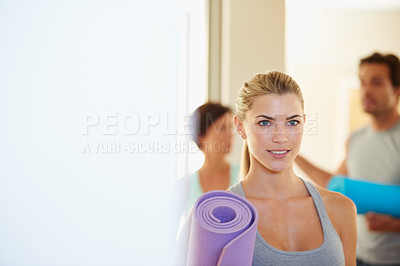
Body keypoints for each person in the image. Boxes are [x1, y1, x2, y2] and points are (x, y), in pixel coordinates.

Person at [230, 71, 357, 265]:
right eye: (264, 123)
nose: (281, 137)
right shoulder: (222, 214)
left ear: (304, 123)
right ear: (240, 127)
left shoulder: (341, 209)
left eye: (292, 122)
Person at [295, 52, 400, 266]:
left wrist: (394, 225)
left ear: (397, 90)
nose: (366, 90)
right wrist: (292, 154)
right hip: (359, 257)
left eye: (377, 82)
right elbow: (334, 185)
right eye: (362, 82)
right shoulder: (355, 140)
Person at [184, 102, 240, 213]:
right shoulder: (185, 186)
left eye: (230, 128)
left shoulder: (244, 175)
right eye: (222, 128)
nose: (230, 135)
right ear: (201, 136)